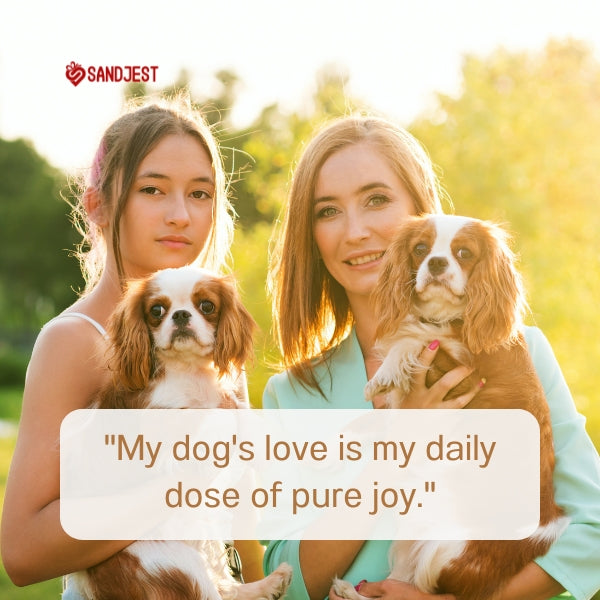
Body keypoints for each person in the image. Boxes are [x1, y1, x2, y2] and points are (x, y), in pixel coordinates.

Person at [262, 115, 600, 600]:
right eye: (327, 211)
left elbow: (592, 534)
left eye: (376, 200)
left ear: (421, 210)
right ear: (310, 237)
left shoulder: (520, 351)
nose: (355, 231)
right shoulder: (291, 395)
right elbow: (284, 580)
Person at [0, 95, 264, 593]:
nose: (181, 215)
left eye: (201, 194)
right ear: (97, 204)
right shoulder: (74, 341)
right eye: (152, 190)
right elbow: (22, 551)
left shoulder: (211, 344)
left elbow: (244, 520)